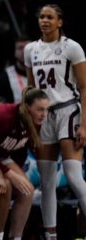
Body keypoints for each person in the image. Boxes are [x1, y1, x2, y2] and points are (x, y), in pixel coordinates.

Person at [24, 4, 86, 240]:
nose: (44, 20)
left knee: (73, 175)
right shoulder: (31, 49)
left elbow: (84, 87)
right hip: (42, 115)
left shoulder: (72, 47)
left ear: (60, 22)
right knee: (47, 179)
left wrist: (85, 124)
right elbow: (30, 91)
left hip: (68, 110)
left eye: (50, 17)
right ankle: (51, 234)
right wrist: (30, 123)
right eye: (41, 17)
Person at [0, 87, 50, 240]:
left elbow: (20, 150)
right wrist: (8, 174)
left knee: (26, 190)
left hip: (2, 157)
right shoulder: (4, 117)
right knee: (4, 187)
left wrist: (17, 172)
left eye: (46, 109)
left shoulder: (35, 121)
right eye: (40, 110)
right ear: (27, 107)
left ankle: (16, 237)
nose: (44, 114)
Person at [0, 36, 31, 104]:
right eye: (20, 48)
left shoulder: (44, 70)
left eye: (28, 48)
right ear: (14, 52)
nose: (24, 51)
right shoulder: (4, 78)